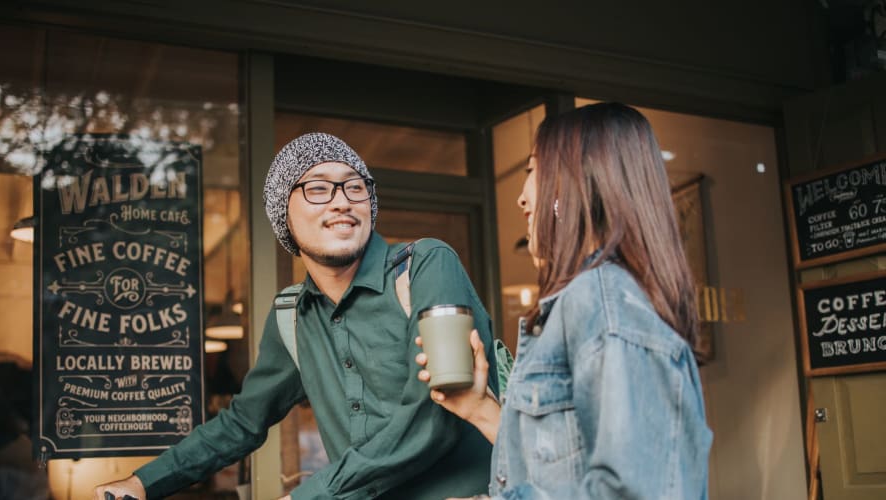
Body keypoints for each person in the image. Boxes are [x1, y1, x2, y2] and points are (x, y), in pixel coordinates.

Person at [95, 132, 498, 500]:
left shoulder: (424, 265)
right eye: (318, 189)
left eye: (355, 187)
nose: (342, 201)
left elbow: (435, 414)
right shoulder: (291, 315)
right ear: (282, 215)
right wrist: (143, 482)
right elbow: (241, 423)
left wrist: (311, 495)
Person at [416, 103, 713, 499]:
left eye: (533, 171)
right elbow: (563, 471)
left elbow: (638, 492)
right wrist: (479, 409)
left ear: (575, 185)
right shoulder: (594, 299)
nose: (522, 198)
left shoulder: (602, 300)